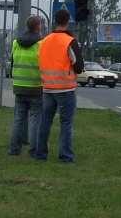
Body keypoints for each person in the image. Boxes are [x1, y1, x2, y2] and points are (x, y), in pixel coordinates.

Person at [35, 9, 84, 162]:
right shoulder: (69, 41)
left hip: (48, 87)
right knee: (66, 123)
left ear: (55, 21)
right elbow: (78, 65)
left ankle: (40, 154)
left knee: (45, 122)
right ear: (67, 21)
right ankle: (65, 156)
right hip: (65, 88)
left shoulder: (44, 41)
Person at [8, 15, 42, 156]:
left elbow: (12, 62)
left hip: (19, 86)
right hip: (35, 86)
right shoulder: (41, 44)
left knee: (18, 119)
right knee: (35, 120)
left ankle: (14, 149)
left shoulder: (16, 42)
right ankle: (33, 150)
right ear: (38, 26)